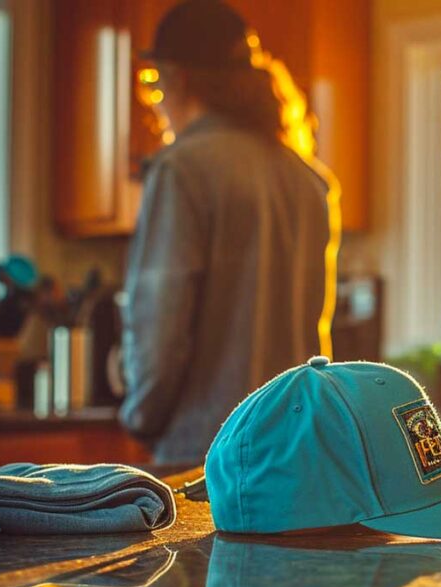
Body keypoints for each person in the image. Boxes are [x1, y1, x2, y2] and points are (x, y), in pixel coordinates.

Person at [119, 0, 334, 463]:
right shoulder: (307, 181)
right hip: (292, 453)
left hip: (203, 455)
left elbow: (161, 328)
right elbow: (314, 335)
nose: (156, 104)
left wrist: (141, 418)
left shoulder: (181, 170)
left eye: (154, 84)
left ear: (178, 78)